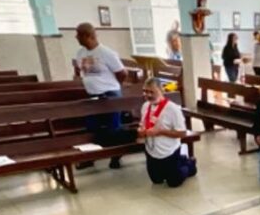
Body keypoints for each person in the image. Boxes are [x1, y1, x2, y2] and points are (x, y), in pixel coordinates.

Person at [72, 22, 127, 169]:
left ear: (88, 36)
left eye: (78, 34)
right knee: (92, 128)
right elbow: (81, 72)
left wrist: (112, 86)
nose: (76, 37)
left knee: (113, 128)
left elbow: (122, 73)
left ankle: (116, 157)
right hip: (92, 95)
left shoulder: (106, 53)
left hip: (110, 95)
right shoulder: (80, 53)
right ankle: (91, 157)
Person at [138, 77, 197, 187]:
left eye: (152, 92)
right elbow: (142, 125)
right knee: (157, 181)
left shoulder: (172, 109)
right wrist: (141, 131)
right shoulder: (145, 106)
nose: (148, 95)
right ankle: (180, 160)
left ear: (161, 90)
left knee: (174, 182)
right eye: (145, 91)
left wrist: (160, 132)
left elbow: (182, 133)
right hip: (151, 150)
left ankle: (189, 164)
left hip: (169, 151)